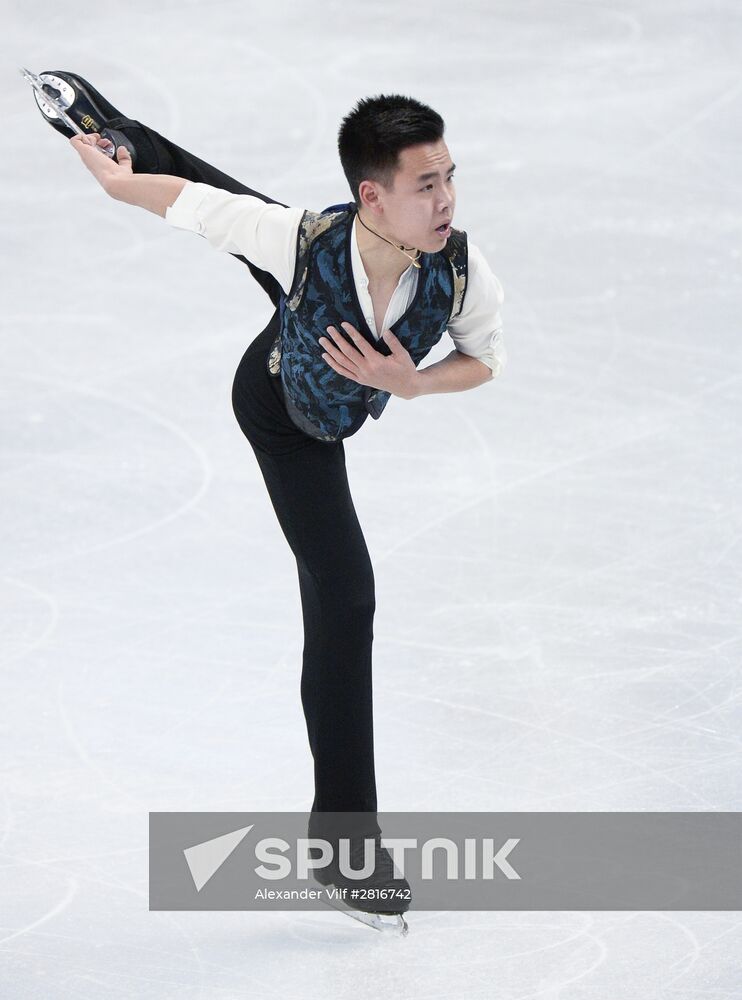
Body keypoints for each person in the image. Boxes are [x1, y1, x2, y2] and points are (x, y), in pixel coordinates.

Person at [30, 72, 507, 922]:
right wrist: (117, 177)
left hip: (332, 323)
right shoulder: (307, 236)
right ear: (375, 193)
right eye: (425, 184)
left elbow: (485, 359)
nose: (446, 200)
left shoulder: (463, 271)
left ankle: (116, 122)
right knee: (347, 595)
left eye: (449, 177)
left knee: (285, 248)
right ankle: (345, 852)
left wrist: (416, 384)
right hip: (286, 409)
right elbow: (187, 200)